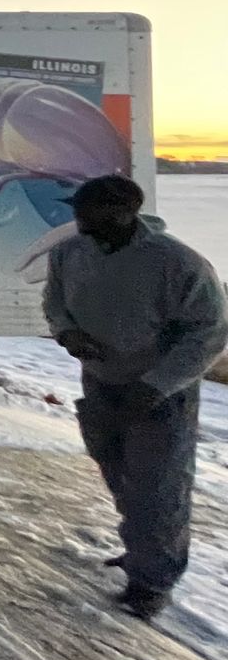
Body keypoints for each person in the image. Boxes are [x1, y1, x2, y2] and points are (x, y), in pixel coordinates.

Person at [43, 174, 227, 620]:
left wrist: (156, 385)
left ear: (126, 212)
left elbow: (210, 331)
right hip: (102, 383)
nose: (80, 219)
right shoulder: (69, 252)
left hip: (160, 394)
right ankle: (141, 552)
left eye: (91, 211)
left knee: (159, 487)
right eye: (78, 210)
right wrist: (68, 333)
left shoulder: (177, 263)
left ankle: (152, 582)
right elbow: (55, 302)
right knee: (119, 474)